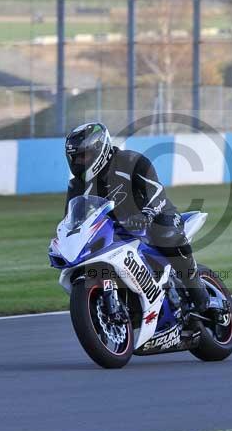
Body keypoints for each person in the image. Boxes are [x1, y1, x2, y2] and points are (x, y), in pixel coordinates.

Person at [64, 122, 210, 312]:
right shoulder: (77, 186)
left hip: (157, 215)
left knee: (166, 234)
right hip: (117, 230)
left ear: (100, 148)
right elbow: (73, 219)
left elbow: (156, 190)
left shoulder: (130, 161)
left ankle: (197, 290)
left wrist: (147, 213)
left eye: (83, 156)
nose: (78, 163)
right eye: (74, 158)